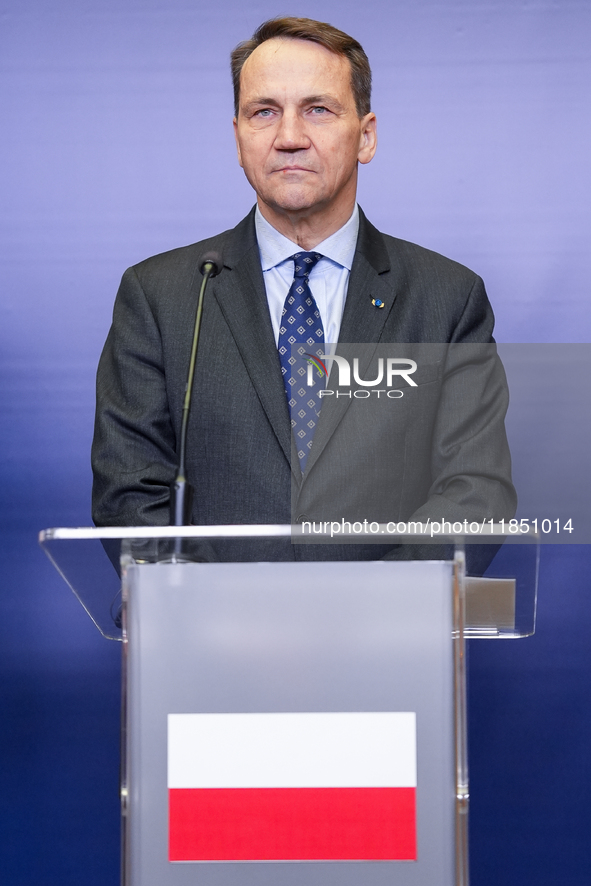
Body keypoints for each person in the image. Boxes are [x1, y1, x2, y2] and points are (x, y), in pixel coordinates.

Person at [91, 16, 516, 563]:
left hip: (386, 639)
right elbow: (130, 493)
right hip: (213, 640)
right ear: (238, 139)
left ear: (366, 136)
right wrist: (222, 623)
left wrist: (362, 617)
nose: (289, 137)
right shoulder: (160, 296)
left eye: (318, 109)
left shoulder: (449, 299)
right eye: (263, 112)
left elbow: (474, 492)